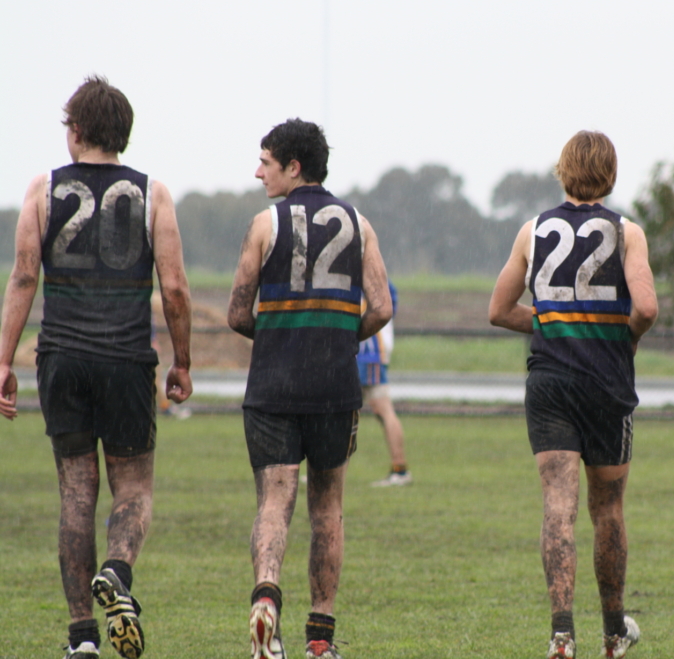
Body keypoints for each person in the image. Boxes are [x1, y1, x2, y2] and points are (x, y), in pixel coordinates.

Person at [0, 75, 193, 659]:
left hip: (60, 356)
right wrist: (182, 361)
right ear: (123, 135)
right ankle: (118, 572)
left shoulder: (42, 190)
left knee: (76, 494)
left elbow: (24, 277)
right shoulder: (152, 194)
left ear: (75, 130)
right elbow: (177, 288)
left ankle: (81, 636)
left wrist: (4, 359)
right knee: (133, 489)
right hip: (127, 359)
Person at [488, 130, 658, 659]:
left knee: (557, 507)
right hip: (606, 381)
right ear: (610, 175)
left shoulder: (532, 230)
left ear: (563, 172)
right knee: (607, 508)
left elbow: (498, 308)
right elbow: (647, 308)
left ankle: (562, 634)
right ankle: (612, 633)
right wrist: (621, 335)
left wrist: (548, 324)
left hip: (551, 381)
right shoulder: (626, 232)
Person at [227, 118, 391, 659]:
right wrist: (342, 338)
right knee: (328, 508)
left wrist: (276, 338)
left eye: (266, 162)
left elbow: (236, 312)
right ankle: (319, 639)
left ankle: (266, 600)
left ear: (293, 167)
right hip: (333, 387)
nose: (258, 172)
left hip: (273, 384)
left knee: (274, 500)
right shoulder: (359, 223)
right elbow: (383, 307)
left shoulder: (263, 224)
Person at [357, 280, 412, 486]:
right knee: (342, 412)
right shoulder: (377, 278)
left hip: (367, 352)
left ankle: (400, 469)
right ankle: (400, 470)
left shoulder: (366, 278)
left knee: (381, 409)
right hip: (370, 353)